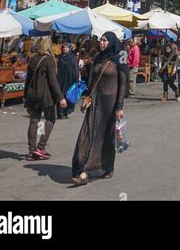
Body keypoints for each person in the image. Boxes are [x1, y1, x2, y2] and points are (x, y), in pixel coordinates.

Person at [71, 32, 126, 185]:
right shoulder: (97, 58)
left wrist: (119, 107)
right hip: (95, 102)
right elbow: (92, 81)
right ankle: (82, 166)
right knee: (87, 133)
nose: (101, 43)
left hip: (110, 104)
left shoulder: (118, 59)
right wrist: (86, 98)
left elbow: (122, 85)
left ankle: (91, 171)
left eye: (104, 40)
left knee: (104, 137)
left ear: (111, 42)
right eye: (100, 40)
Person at [24, 37, 67, 161]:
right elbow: (53, 82)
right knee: (50, 119)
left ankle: (32, 151)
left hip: (32, 95)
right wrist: (61, 97)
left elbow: (28, 79)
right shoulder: (49, 60)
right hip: (45, 95)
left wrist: (25, 95)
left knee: (34, 121)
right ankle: (41, 146)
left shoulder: (33, 59)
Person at [57, 42, 79, 119]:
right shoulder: (61, 57)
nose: (64, 49)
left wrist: (76, 80)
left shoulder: (72, 57)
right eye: (64, 47)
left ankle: (65, 112)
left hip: (69, 80)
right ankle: (60, 112)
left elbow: (76, 69)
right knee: (60, 95)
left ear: (70, 48)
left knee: (67, 95)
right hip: (60, 79)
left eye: (66, 47)